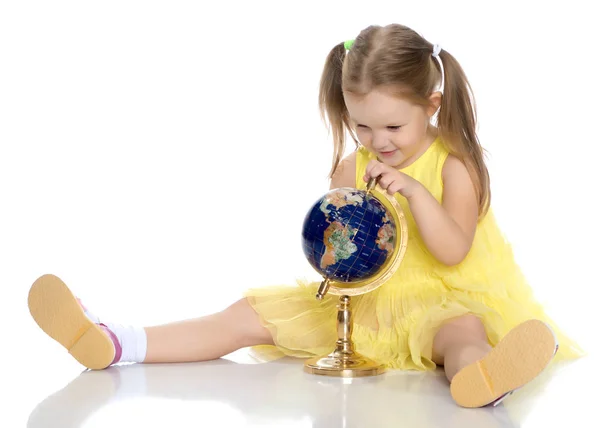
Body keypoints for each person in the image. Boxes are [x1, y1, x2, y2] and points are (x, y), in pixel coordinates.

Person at [27, 23, 584, 408]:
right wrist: (332, 240)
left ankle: (482, 379)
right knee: (245, 314)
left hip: (446, 300)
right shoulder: (354, 163)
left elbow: (453, 251)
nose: (377, 141)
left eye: (393, 127)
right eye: (363, 126)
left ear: (431, 105)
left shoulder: (455, 164)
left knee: (459, 334)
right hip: (361, 301)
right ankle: (116, 340)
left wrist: (414, 192)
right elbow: (338, 243)